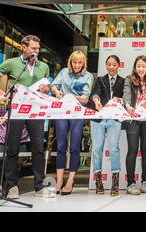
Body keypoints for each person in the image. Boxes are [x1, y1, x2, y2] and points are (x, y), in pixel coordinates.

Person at [0, 35, 54, 198]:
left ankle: (39, 186)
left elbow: (47, 88)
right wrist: (3, 95)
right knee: (12, 148)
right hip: (16, 110)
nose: (37, 51)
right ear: (24, 47)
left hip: (36, 111)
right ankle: (13, 186)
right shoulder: (12, 63)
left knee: (38, 148)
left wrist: (46, 89)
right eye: (33, 48)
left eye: (38, 48)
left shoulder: (44, 66)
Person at [51, 50, 93, 196]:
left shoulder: (87, 76)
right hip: (62, 112)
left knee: (75, 146)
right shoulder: (63, 72)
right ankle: (59, 181)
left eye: (80, 62)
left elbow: (85, 98)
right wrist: (57, 92)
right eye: (74, 62)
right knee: (61, 146)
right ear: (70, 62)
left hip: (77, 113)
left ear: (83, 63)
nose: (77, 65)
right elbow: (54, 86)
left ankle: (70, 181)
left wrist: (72, 96)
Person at [90, 55, 125, 196]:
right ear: (106, 65)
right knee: (97, 149)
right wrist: (96, 100)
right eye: (109, 64)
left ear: (119, 65)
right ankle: (99, 182)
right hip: (98, 118)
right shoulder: (99, 79)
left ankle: (115, 184)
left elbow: (126, 97)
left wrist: (120, 100)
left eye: (114, 64)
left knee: (114, 148)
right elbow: (95, 93)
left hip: (114, 118)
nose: (111, 67)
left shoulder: (123, 81)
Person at [123, 55, 146, 195]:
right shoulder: (129, 79)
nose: (141, 69)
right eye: (139, 66)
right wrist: (128, 105)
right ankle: (130, 183)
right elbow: (126, 93)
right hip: (133, 119)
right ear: (135, 67)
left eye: (144, 66)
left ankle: (145, 181)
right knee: (132, 150)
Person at [0, 100, 28, 197]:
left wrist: (23, 137)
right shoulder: (2, 108)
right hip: (2, 141)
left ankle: (11, 190)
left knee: (16, 167)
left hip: (20, 142)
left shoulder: (26, 110)